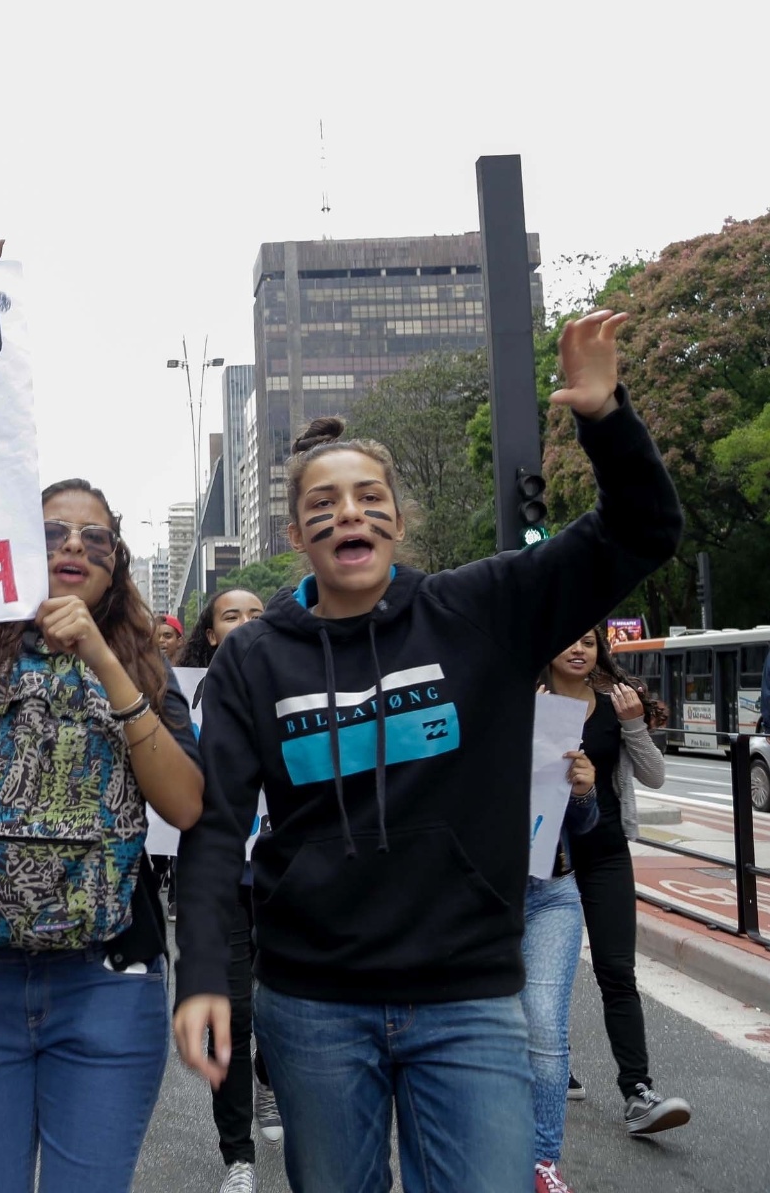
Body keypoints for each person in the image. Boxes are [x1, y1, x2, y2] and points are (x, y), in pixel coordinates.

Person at [173, 310, 683, 1192]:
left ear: (398, 521)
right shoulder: (253, 658)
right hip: (313, 1003)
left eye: (370, 498)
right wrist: (204, 977)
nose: (349, 514)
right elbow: (216, 829)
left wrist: (606, 417)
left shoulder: (481, 609)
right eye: (322, 504)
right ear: (296, 536)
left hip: (470, 994)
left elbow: (642, 532)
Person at [0, 476, 205, 1191]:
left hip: (106, 983)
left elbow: (185, 806)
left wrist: (103, 659)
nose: (74, 545)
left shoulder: (141, 664)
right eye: (50, 532)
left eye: (94, 536)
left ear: (116, 560)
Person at [552, 624, 691, 1137]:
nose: (578, 649)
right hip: (546, 859)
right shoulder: (527, 698)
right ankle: (554, 1066)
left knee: (617, 970)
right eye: (569, 639)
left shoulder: (616, 702)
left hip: (607, 853)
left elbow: (654, 776)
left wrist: (633, 724)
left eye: (589, 642)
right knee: (550, 972)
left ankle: (637, 1091)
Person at [176, 586, 276, 1193]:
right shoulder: (184, 700)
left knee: (286, 1012)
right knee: (232, 1015)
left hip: (290, 882)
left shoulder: (300, 684)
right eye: (231, 616)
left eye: (256, 615)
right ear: (211, 635)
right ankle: (237, 1154)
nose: (244, 624)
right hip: (224, 881)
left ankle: (269, 1076)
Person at [525, 636, 610, 1193]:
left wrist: (583, 791)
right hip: (481, 902)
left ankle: (543, 1161)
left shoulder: (561, 720)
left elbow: (582, 825)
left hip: (553, 893)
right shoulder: (487, 707)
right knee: (484, 1035)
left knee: (544, 1027)